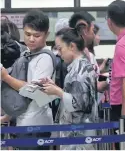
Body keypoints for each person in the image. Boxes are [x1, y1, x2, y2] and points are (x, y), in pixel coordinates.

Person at [1, 10, 55, 149]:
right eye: (28, 34)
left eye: (37, 35)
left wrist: (6, 77)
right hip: (23, 123)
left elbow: (33, 92)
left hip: (36, 126)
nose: (31, 39)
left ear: (46, 35)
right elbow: (21, 97)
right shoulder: (26, 54)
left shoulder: (45, 58)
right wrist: (6, 117)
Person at [39, 28, 99, 150]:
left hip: (78, 135)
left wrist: (57, 91)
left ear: (72, 46)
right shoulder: (81, 65)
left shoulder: (78, 70)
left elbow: (79, 105)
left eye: (60, 49)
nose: (59, 53)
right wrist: (56, 88)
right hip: (81, 132)